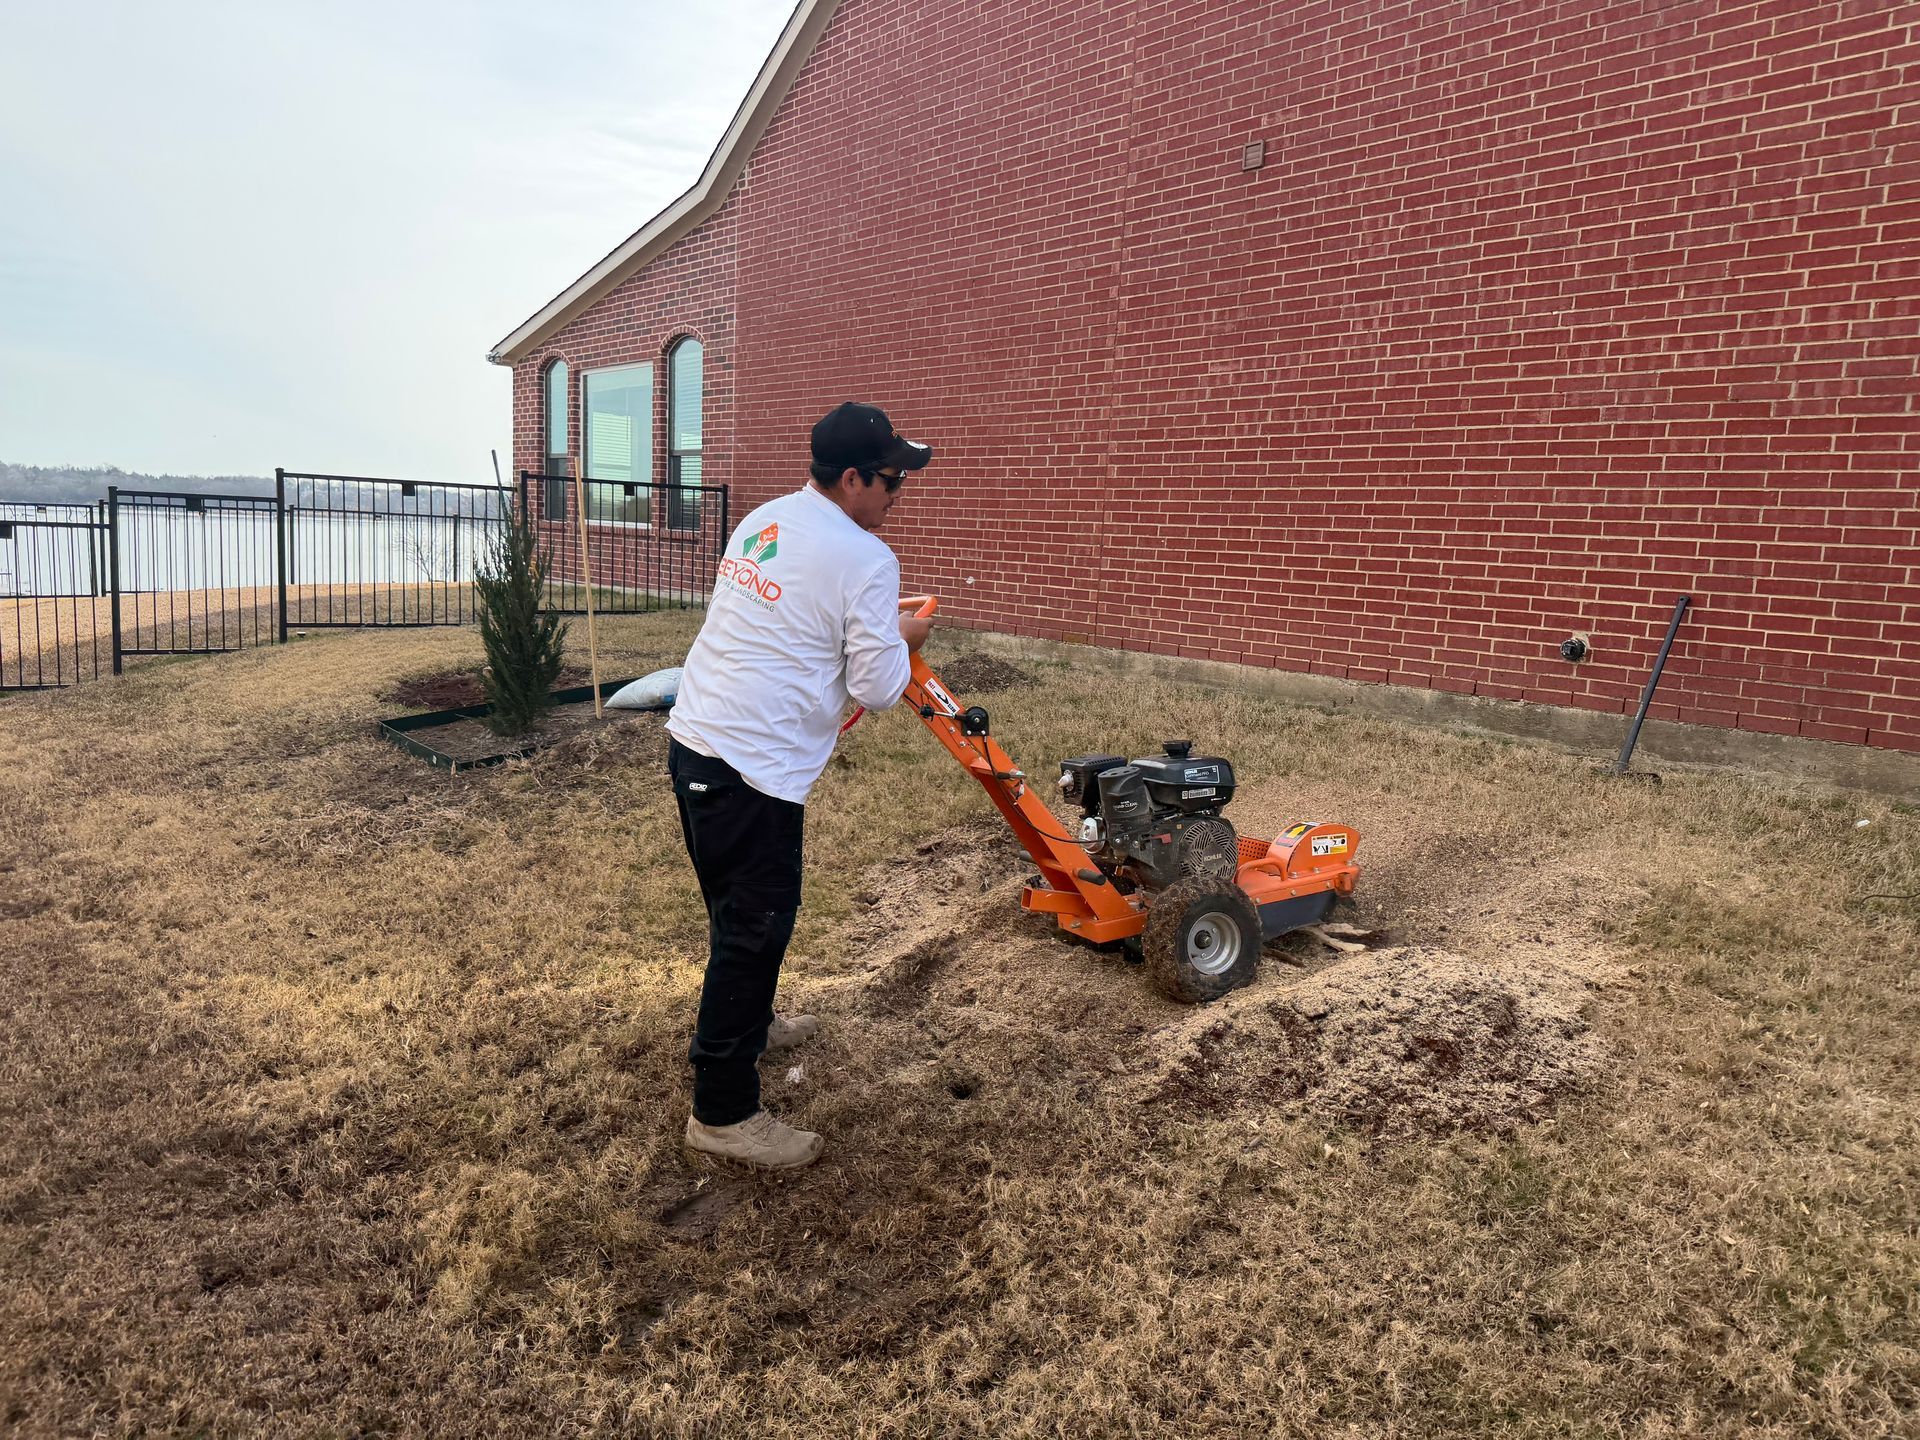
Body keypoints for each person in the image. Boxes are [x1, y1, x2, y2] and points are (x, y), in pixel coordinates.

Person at [664, 401, 935, 1169]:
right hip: (753, 771)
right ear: (851, 478)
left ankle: (755, 1021)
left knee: (736, 910)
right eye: (890, 481)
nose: (896, 496)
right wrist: (903, 634)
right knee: (755, 928)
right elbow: (879, 686)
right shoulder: (864, 557)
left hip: (696, 747)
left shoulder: (765, 518)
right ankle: (723, 1113)